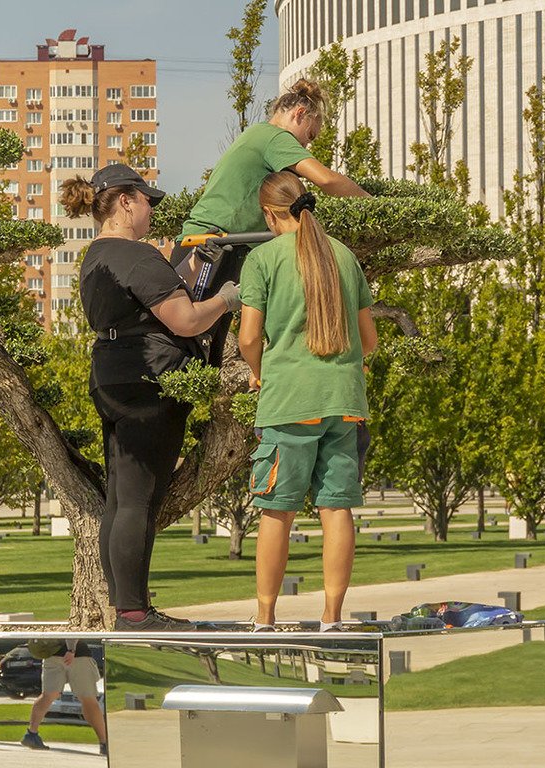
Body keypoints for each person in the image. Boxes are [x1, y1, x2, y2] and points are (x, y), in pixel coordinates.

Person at [60, 164, 240, 632]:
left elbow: (146, 299)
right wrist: (226, 298)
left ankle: (124, 606)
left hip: (112, 375)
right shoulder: (135, 255)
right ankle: (135, 615)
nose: (150, 211)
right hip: (153, 379)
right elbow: (185, 320)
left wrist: (191, 267)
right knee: (140, 499)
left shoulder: (97, 256)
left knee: (120, 498)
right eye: (146, 201)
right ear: (125, 201)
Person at [237, 171, 378, 632]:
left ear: (270, 214)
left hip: (289, 400)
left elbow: (250, 336)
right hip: (344, 400)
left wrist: (259, 373)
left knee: (277, 509)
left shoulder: (262, 259)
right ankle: (332, 617)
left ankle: (265, 617)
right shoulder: (344, 256)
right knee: (336, 507)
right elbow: (370, 341)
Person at [171, 78, 371, 367]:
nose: (306, 144)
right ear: (299, 114)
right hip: (208, 247)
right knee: (187, 349)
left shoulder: (258, 137)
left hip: (226, 247)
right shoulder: (275, 138)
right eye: (310, 135)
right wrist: (372, 202)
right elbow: (326, 179)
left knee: (209, 353)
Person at [21, 640, 107, 754]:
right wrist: (71, 650)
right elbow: (72, 628)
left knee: (48, 695)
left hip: (51, 654)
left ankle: (31, 733)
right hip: (77, 655)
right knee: (88, 698)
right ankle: (104, 743)